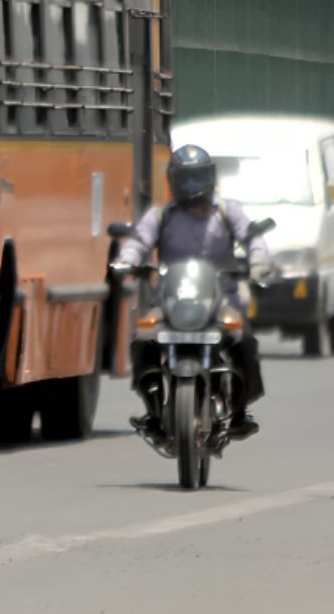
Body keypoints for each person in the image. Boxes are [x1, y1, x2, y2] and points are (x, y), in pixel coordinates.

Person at [114, 144, 274, 441]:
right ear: (173, 181)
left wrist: (259, 264)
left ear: (210, 178)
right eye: (185, 179)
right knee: (143, 340)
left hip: (221, 298)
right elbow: (139, 241)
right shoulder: (161, 215)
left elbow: (253, 239)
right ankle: (152, 408)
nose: (191, 186)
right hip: (171, 298)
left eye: (197, 178)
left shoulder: (228, 211)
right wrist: (127, 262)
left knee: (244, 342)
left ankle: (239, 410)